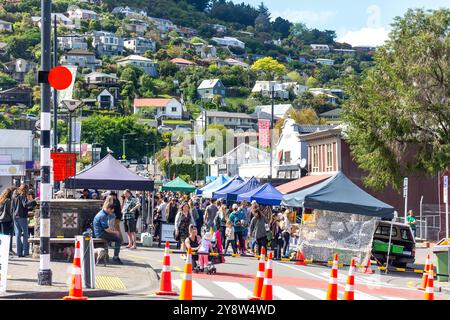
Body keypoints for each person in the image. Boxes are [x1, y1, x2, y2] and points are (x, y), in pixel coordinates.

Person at [93, 200, 122, 264]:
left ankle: (110, 254)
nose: (112, 212)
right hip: (101, 234)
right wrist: (116, 232)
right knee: (118, 239)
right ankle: (115, 257)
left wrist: (112, 230)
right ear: (108, 209)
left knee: (114, 236)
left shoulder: (102, 213)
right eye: (111, 211)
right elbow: (106, 229)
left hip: (99, 232)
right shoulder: (103, 215)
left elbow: (106, 227)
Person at [11, 184, 34, 257]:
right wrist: (34, 202)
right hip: (22, 217)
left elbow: (12, 207)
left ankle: (19, 252)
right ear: (25, 189)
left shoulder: (14, 196)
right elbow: (25, 204)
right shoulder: (23, 195)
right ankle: (25, 252)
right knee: (25, 234)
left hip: (15, 216)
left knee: (18, 234)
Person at [0, 188, 14, 254]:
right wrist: (13, 218)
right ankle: (6, 251)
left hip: (1, 220)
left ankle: (3, 250)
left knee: (2, 235)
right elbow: (9, 211)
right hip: (6, 220)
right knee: (6, 236)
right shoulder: (8, 200)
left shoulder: (1, 200)